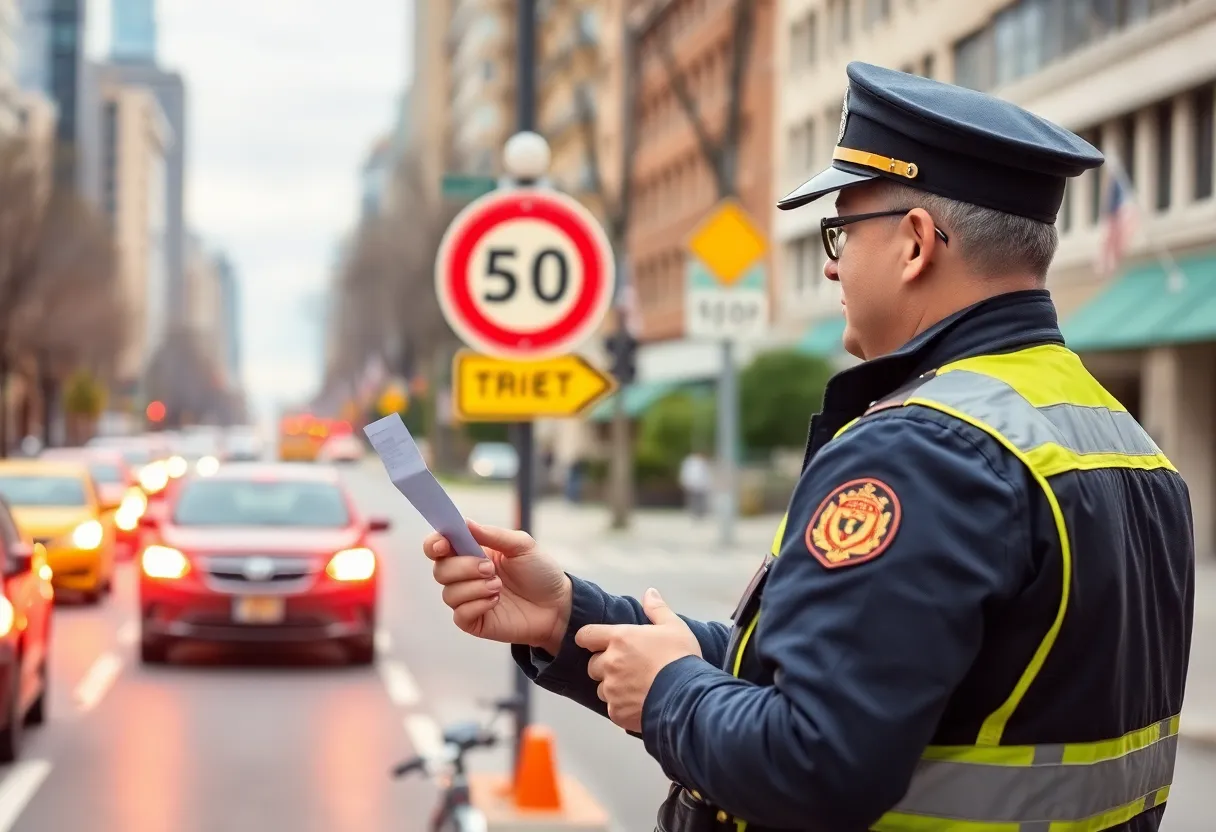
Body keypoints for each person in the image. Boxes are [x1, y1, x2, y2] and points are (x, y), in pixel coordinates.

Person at [422, 62, 1194, 832]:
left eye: (841, 229)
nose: (830, 262)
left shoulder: (925, 449)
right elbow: (835, 677)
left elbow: (813, 763)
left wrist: (667, 693)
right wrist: (568, 616)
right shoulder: (1129, 447)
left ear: (916, 244)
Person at [678, 451, 711, 517]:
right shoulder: (690, 462)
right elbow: (686, 473)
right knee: (693, 499)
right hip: (693, 483)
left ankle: (700, 512)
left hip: (701, 484)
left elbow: (706, 474)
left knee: (701, 499)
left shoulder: (703, 463)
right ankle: (693, 512)